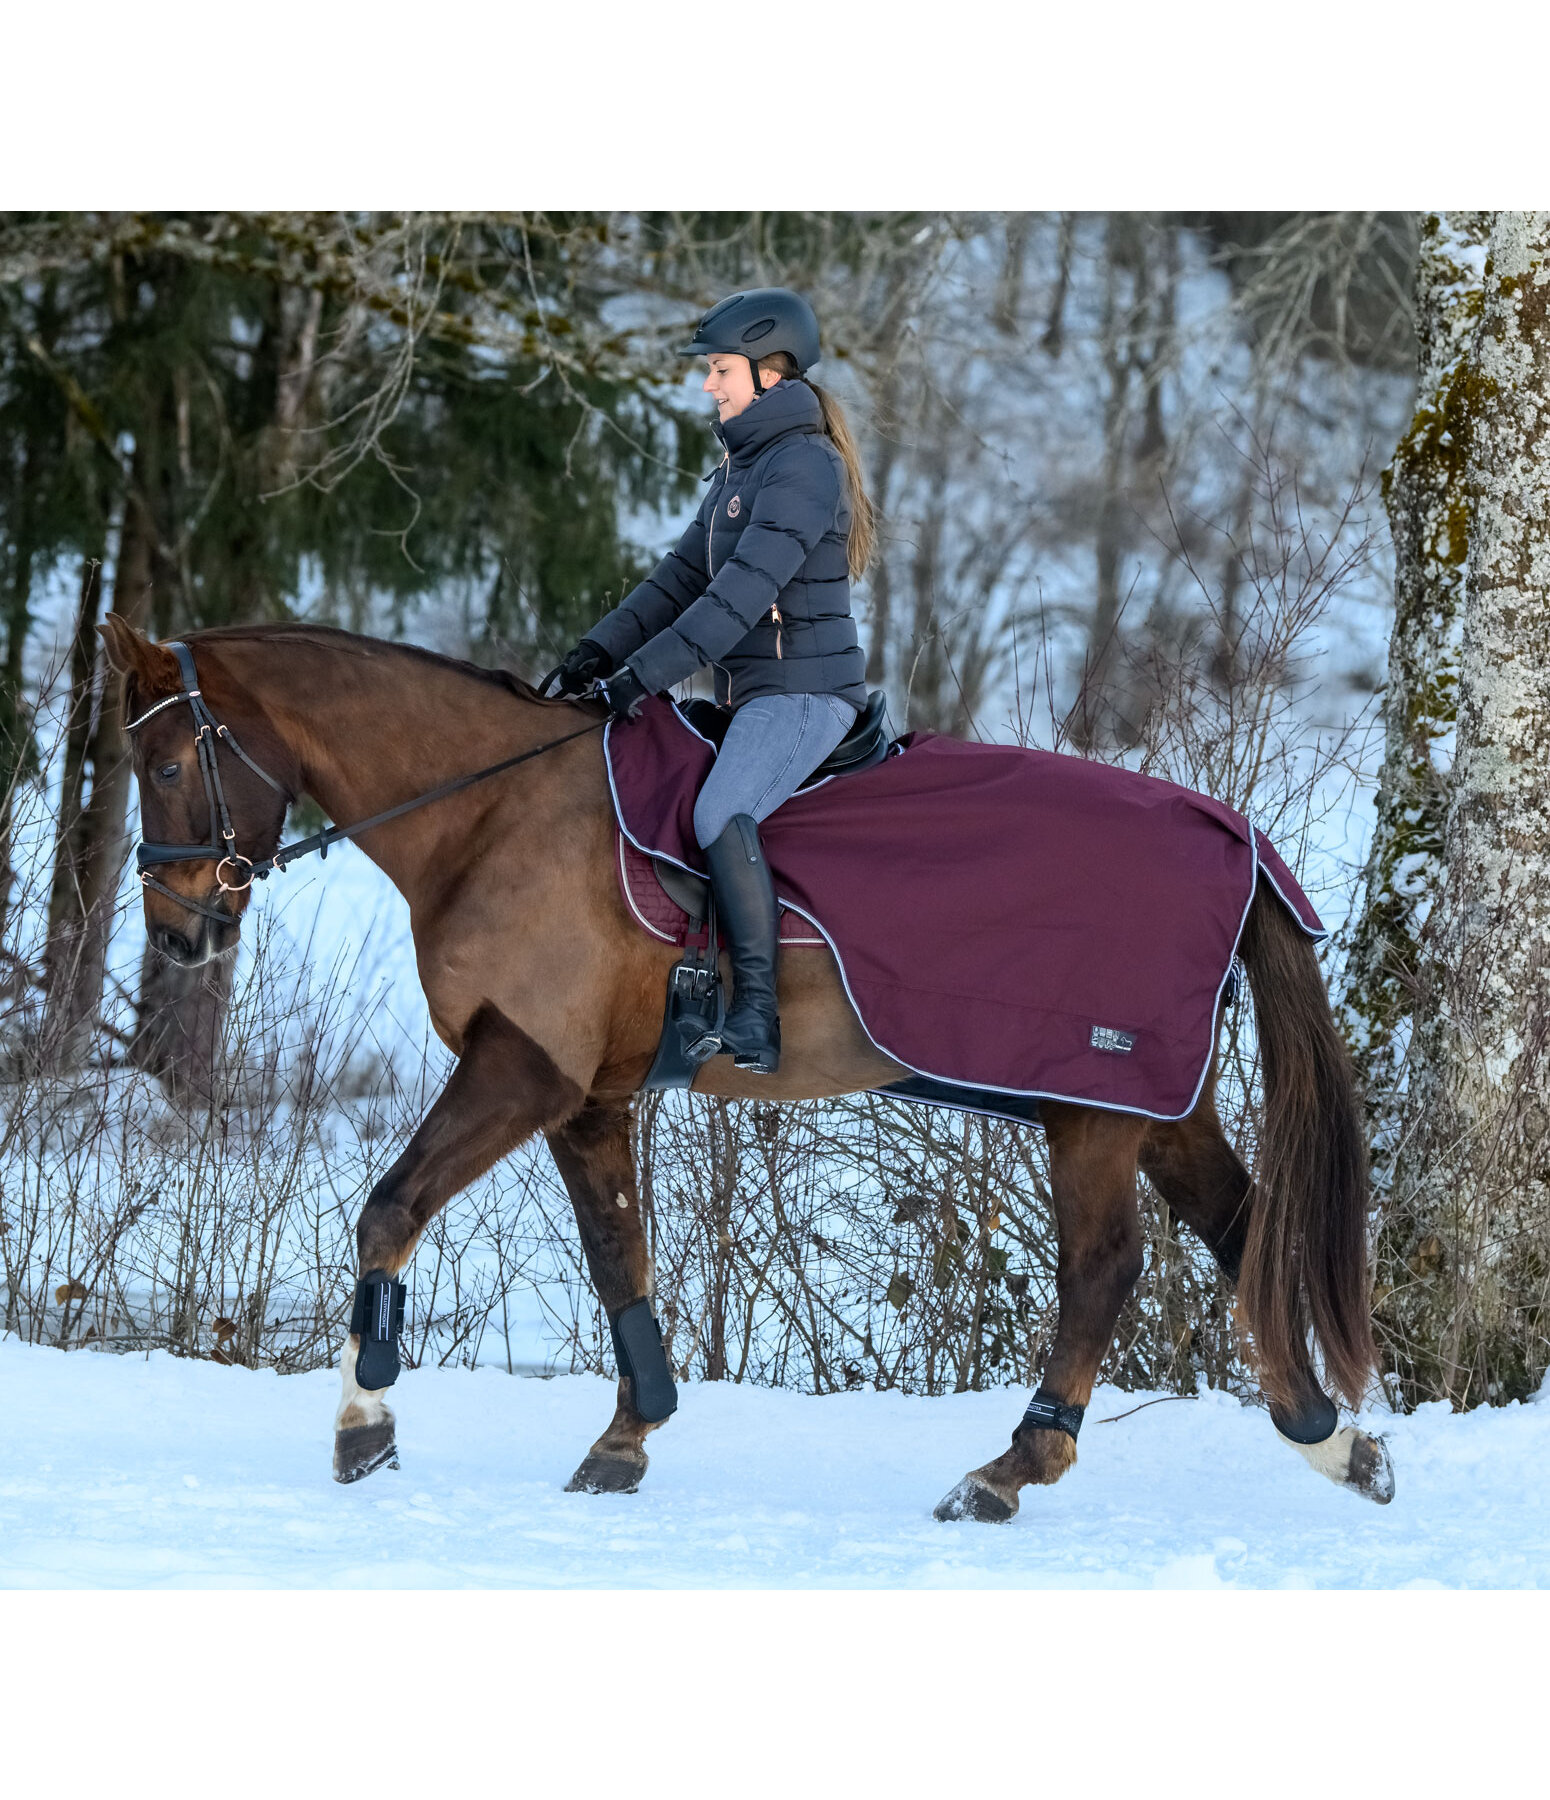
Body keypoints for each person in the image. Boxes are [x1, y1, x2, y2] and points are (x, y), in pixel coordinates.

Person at [548, 288, 875, 1075]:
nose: (709, 386)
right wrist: (597, 653)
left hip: (805, 697)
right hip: (750, 695)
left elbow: (736, 600)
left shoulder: (804, 468)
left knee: (719, 807)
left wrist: (644, 679)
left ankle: (757, 1014)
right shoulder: (745, 463)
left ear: (771, 372)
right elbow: (678, 580)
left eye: (721, 370)